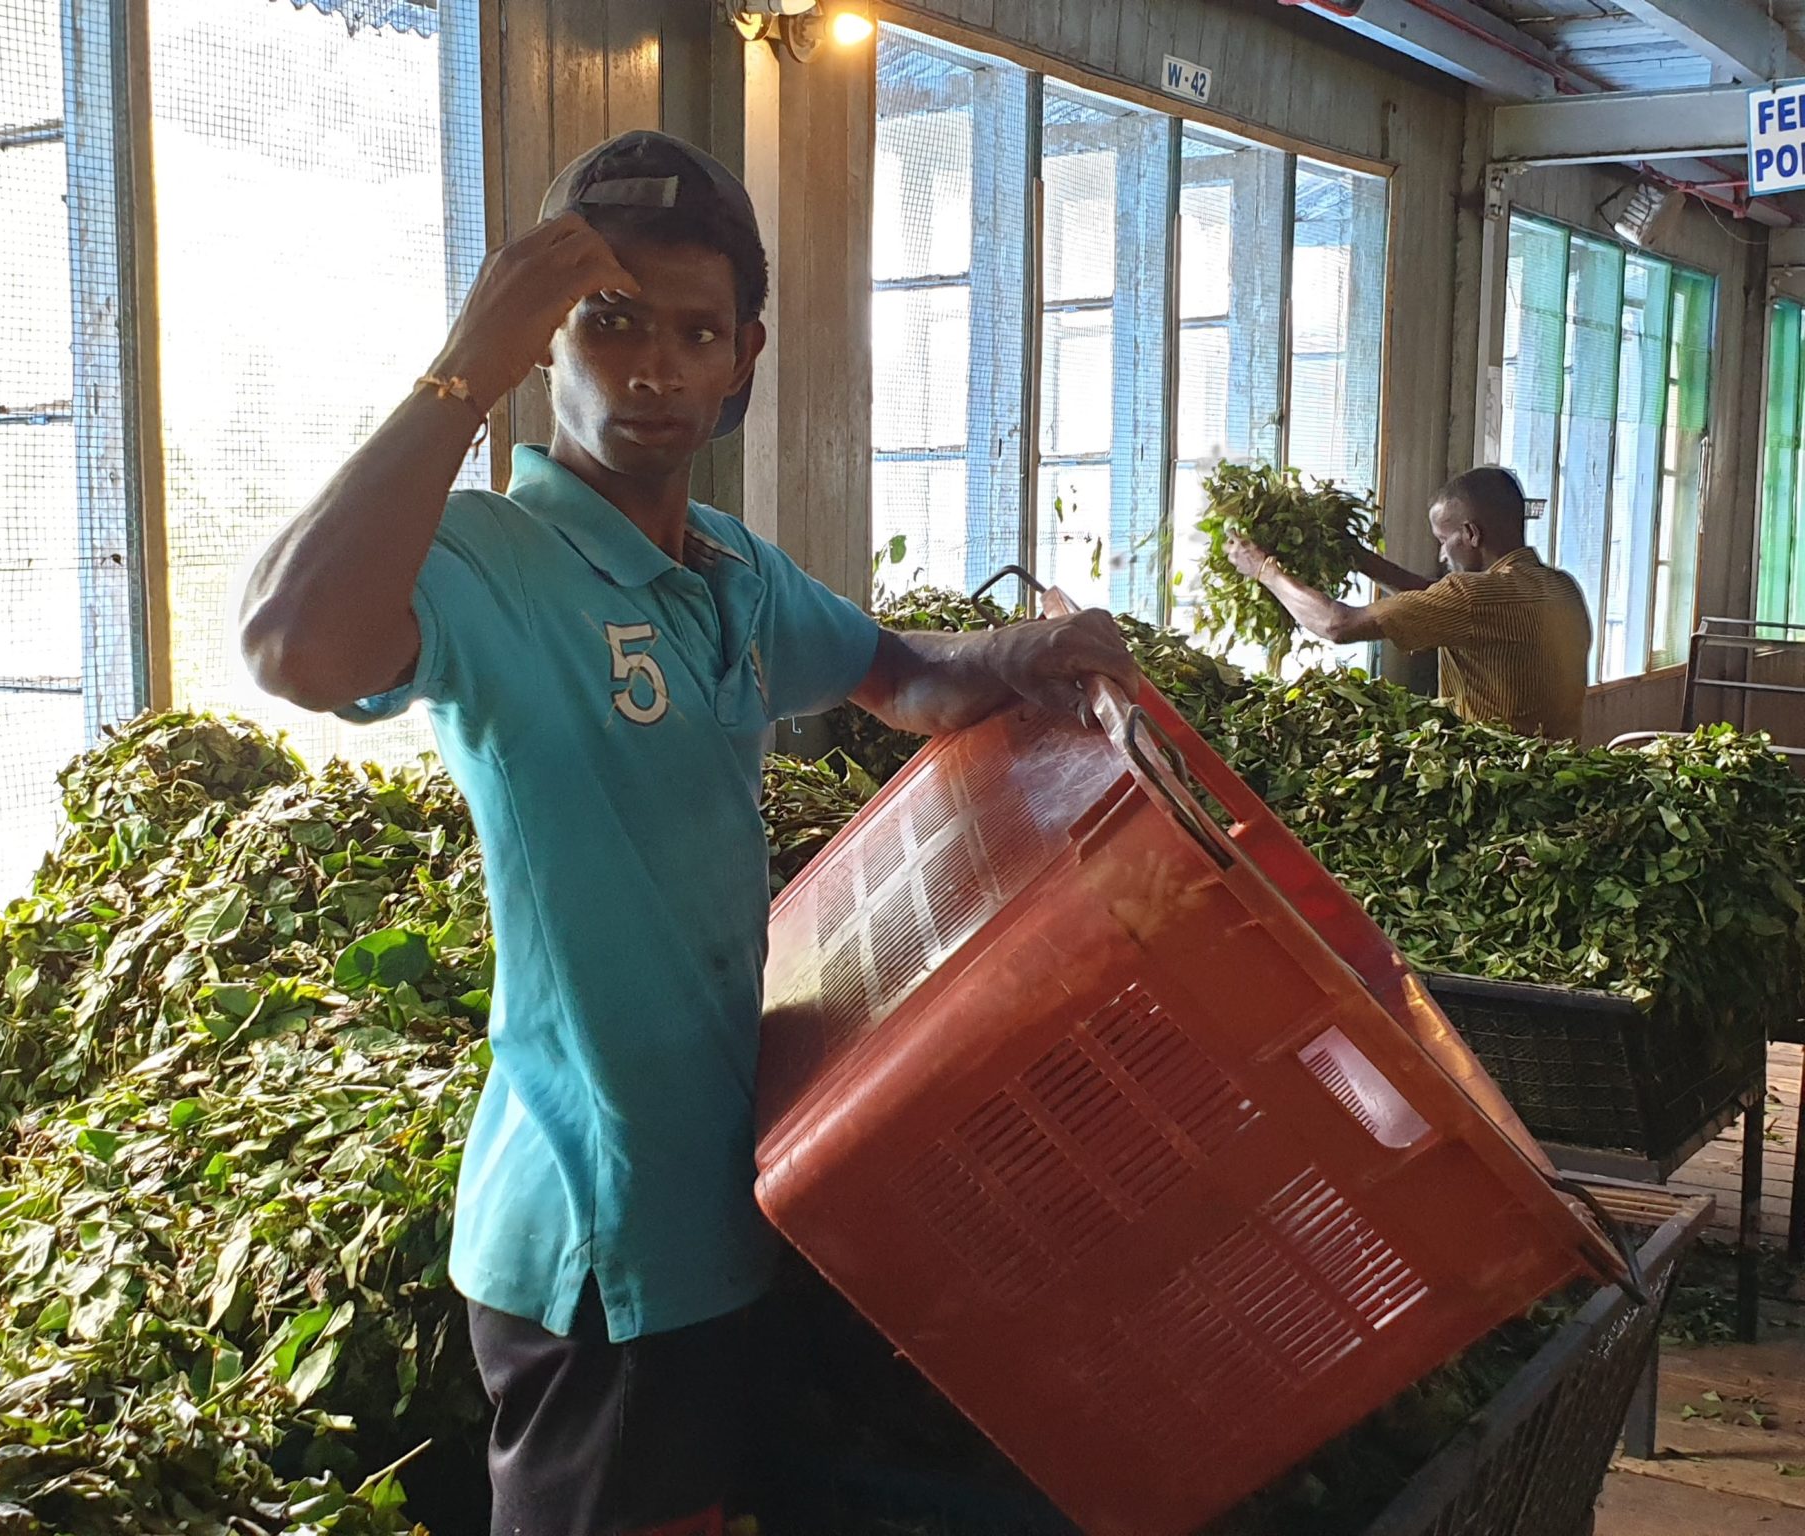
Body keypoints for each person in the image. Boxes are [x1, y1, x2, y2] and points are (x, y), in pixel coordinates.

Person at [238, 130, 1138, 1536]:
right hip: (600, 1232)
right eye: (607, 324)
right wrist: (461, 365)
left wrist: (1024, 652)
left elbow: (899, 676)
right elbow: (294, 646)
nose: (652, 367)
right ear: (544, 342)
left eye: (695, 333)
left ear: (742, 360)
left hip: (727, 1196)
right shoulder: (487, 559)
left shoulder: (726, 570)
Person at [1224, 466, 1592, 740]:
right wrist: (1360, 558)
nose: (1442, 554)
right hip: (1558, 775)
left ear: (1471, 534)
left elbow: (1337, 624)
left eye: (1443, 540)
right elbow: (1436, 599)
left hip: (1497, 783)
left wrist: (1264, 569)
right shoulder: (1562, 587)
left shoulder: (1471, 598)